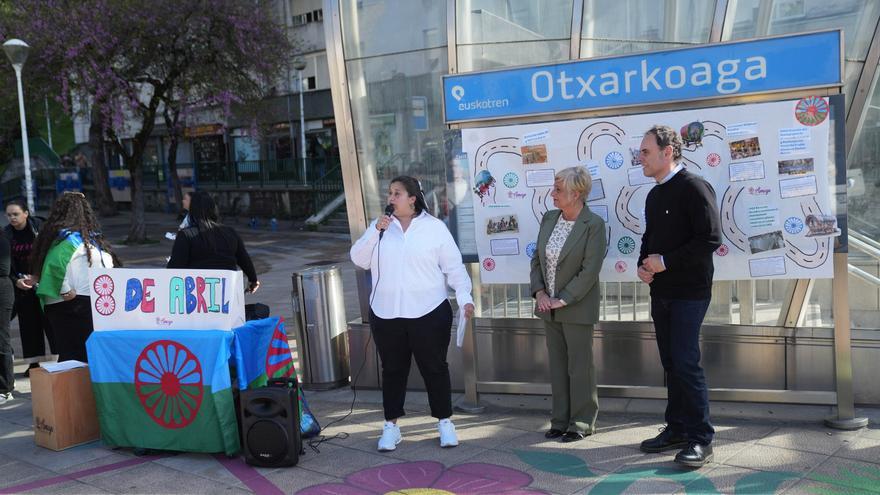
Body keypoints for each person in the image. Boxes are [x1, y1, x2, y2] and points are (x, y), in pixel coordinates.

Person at [350, 175, 474, 452]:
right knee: (393, 370)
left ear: (412, 199)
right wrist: (375, 231)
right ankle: (391, 427)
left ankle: (444, 422)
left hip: (429, 311)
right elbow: (358, 258)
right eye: (389, 193)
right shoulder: (380, 227)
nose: (390, 199)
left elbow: (454, 268)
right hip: (386, 313)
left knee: (435, 368)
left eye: (396, 194)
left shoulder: (434, 228)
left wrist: (465, 298)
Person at [636, 125, 722, 467]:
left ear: (667, 152)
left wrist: (666, 262)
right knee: (671, 362)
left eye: (645, 152)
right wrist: (644, 264)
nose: (640, 158)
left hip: (690, 292)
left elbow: (710, 239)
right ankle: (676, 428)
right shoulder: (654, 194)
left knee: (686, 362)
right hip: (663, 292)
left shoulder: (694, 187)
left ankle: (701, 438)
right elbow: (651, 238)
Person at [529, 167, 606, 443]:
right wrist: (540, 294)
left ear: (576, 193)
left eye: (558, 190)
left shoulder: (593, 225)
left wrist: (562, 299)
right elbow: (537, 259)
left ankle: (582, 422)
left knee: (580, 367)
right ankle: (560, 420)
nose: (553, 193)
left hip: (575, 307)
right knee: (558, 366)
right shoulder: (550, 218)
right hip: (548, 308)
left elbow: (590, 269)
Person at [29, 192, 118, 363]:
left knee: (71, 354)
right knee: (80, 355)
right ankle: (78, 390)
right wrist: (65, 290)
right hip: (75, 302)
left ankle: (71, 389)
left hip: (69, 303)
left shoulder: (60, 237)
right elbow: (55, 265)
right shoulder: (70, 239)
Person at [167, 191, 259, 294]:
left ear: (192, 210)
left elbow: (175, 267)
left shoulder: (186, 235)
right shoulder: (230, 232)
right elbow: (244, 259)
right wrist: (253, 280)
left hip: (198, 295)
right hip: (228, 292)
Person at [5, 200, 55, 376]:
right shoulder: (6, 235)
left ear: (26, 213)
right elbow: (5, 264)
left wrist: (38, 276)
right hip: (22, 286)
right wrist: (16, 280)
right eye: (9, 214)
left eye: (16, 214)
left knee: (51, 322)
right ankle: (34, 364)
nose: (12, 218)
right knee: (29, 326)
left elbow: (51, 255)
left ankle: (60, 360)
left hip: (43, 282)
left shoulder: (40, 228)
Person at [0, 226, 13, 404]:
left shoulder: (2, 241)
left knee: (2, 341)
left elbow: (4, 269)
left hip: (2, 294)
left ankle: (6, 389)